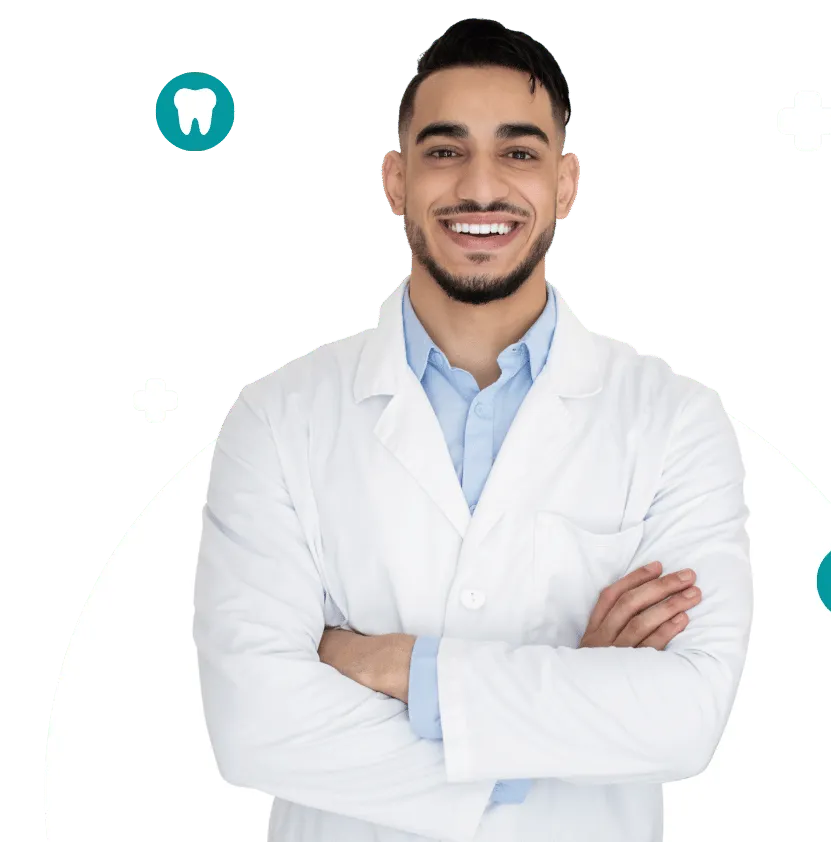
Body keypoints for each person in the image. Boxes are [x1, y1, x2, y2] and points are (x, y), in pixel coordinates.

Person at [193, 15, 752, 842]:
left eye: (519, 152)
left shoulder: (675, 421)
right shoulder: (277, 417)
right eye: (445, 150)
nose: (481, 188)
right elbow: (254, 725)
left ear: (566, 184)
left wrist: (390, 664)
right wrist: (570, 707)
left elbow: (685, 717)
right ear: (395, 181)